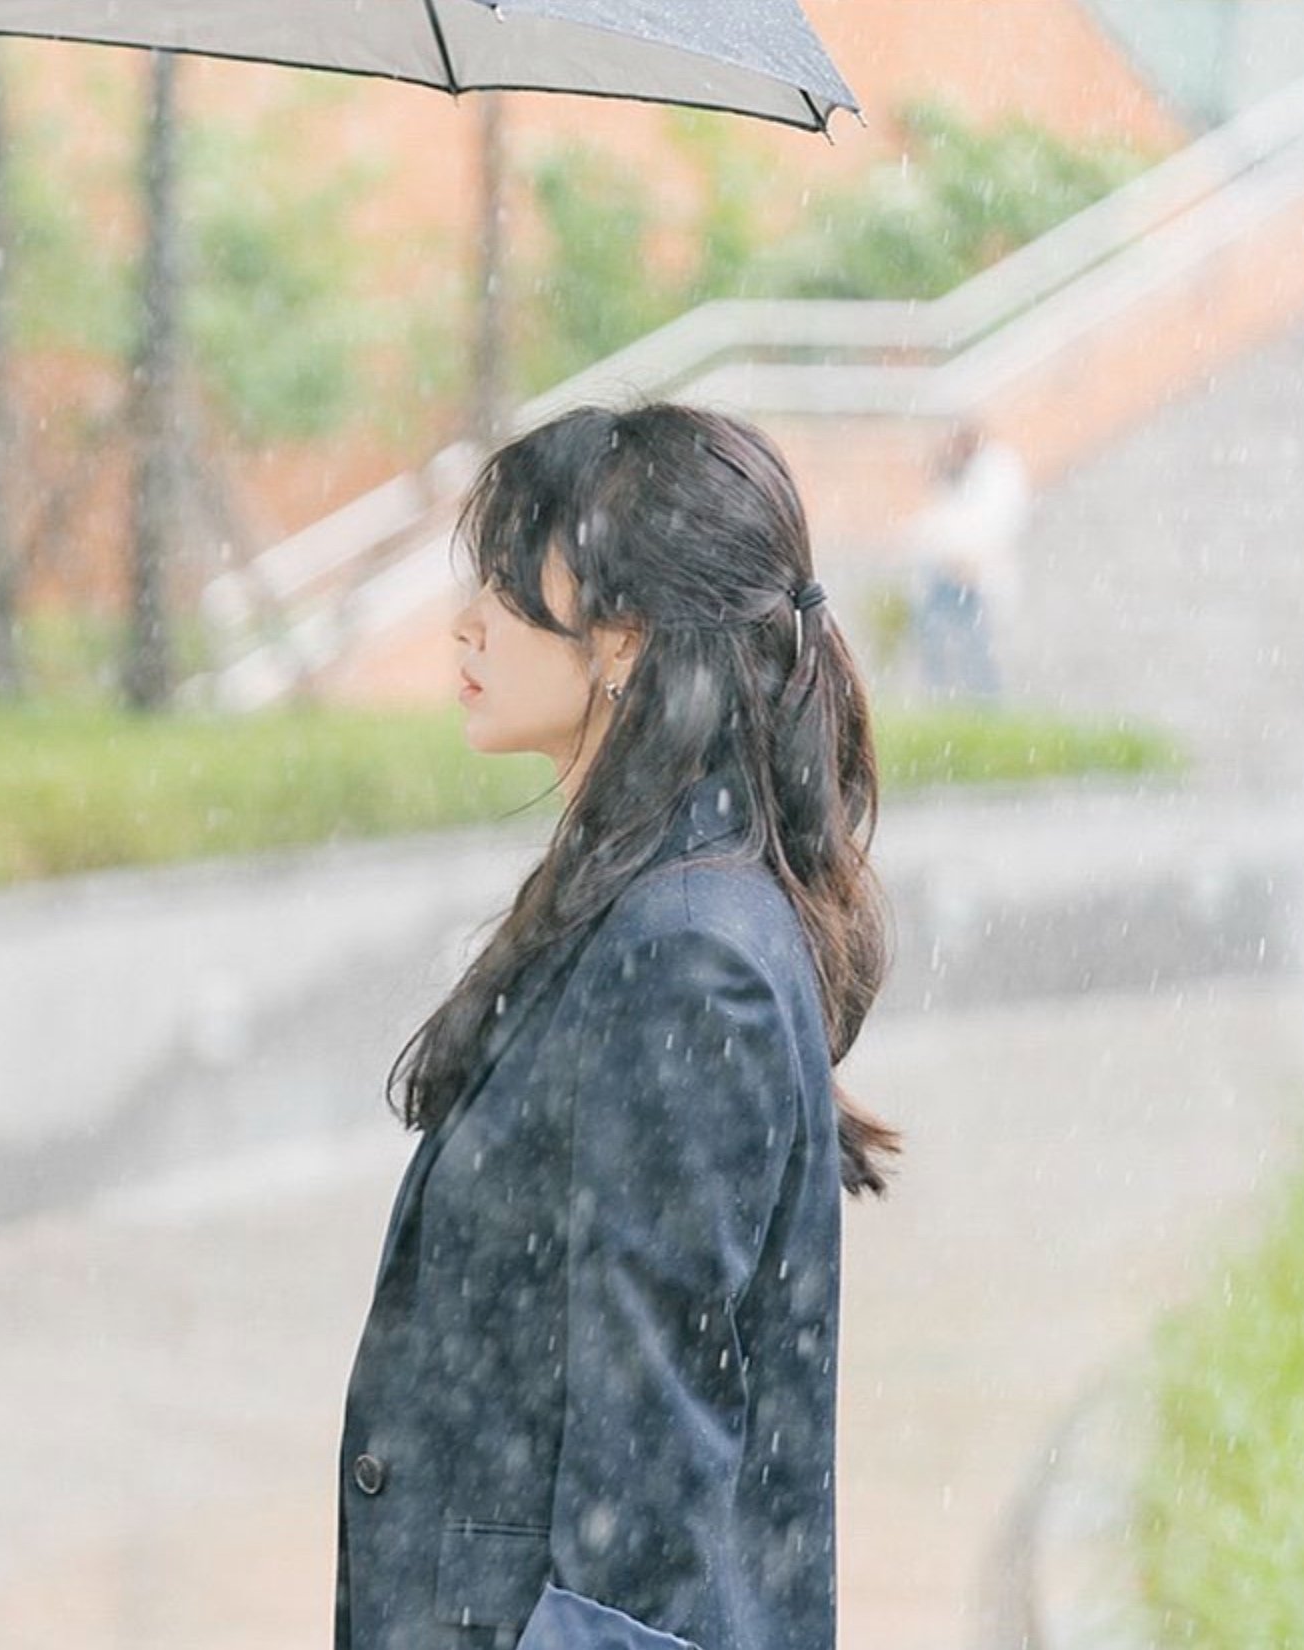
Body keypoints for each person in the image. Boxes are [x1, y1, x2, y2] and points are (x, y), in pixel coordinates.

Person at [336, 404, 896, 1649]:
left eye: (506, 583)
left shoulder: (687, 955)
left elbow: (650, 1481)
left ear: (627, 635)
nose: (466, 623)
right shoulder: (646, 909)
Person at [903, 423, 1029, 702]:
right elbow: (937, 523)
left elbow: (998, 521)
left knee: (975, 644)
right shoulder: (957, 476)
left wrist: (971, 560)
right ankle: (944, 698)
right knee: (937, 639)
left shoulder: (995, 471)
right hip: (944, 571)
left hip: (974, 574)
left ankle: (982, 700)